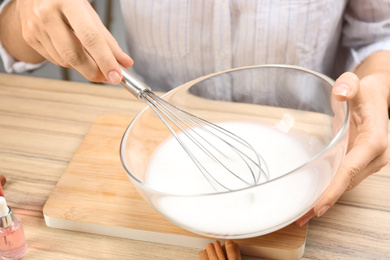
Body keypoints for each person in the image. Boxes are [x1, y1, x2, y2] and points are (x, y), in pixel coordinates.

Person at [0, 0, 389, 227]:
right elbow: (13, 35)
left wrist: (376, 86)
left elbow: (377, 33)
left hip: (313, 141)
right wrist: (24, 15)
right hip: (158, 131)